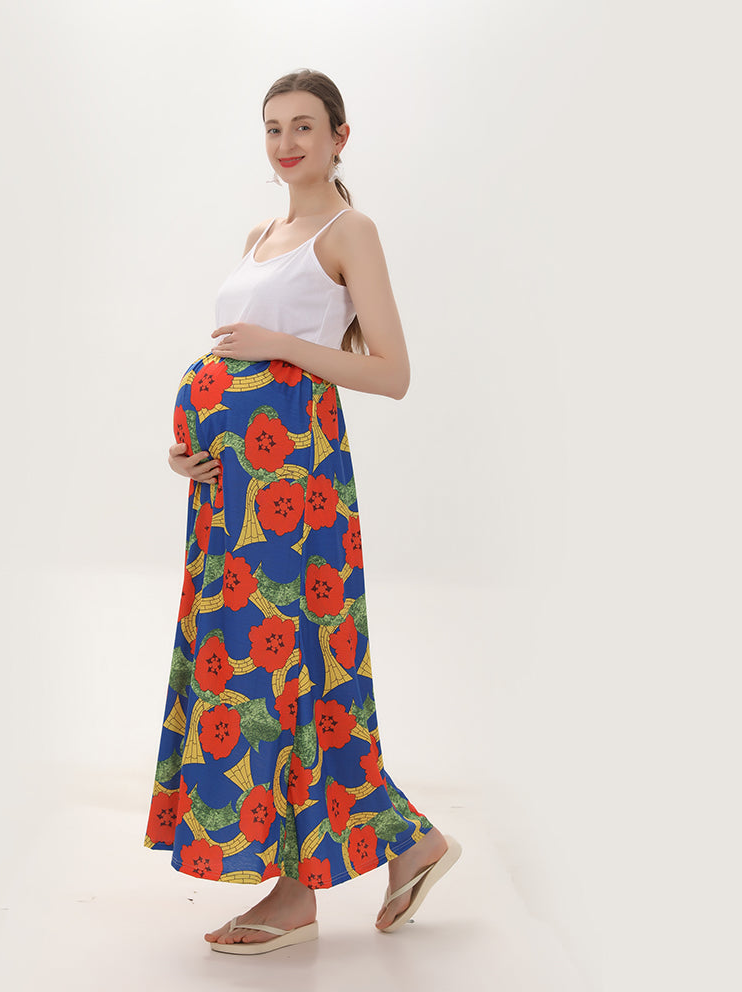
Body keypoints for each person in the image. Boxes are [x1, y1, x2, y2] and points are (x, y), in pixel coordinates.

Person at [144, 68, 461, 955]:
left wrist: (282, 346)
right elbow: (232, 363)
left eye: (304, 127)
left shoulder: (350, 231)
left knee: (290, 673)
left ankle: (296, 895)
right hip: (231, 497)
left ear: (339, 137)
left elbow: (392, 373)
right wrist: (190, 451)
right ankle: (411, 843)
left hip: (297, 491)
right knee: (248, 667)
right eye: (273, 128)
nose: (286, 144)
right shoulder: (260, 235)